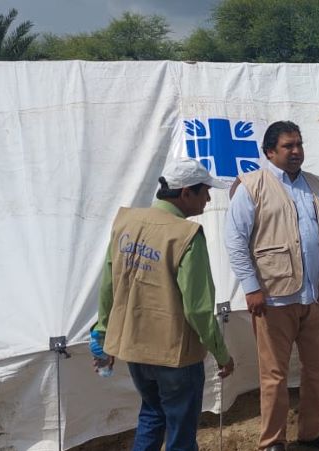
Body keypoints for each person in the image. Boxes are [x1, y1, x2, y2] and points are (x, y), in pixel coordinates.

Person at [93, 157, 234, 451]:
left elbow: (109, 284)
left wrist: (103, 332)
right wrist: (221, 354)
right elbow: (197, 308)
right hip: (175, 355)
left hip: (135, 349)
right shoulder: (186, 235)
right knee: (181, 432)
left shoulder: (125, 224)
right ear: (185, 194)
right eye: (204, 191)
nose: (208, 198)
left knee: (152, 414)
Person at [224, 121, 319, 451]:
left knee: (318, 367)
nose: (296, 152)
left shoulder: (316, 184)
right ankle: (272, 441)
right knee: (274, 375)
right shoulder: (252, 186)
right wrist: (251, 288)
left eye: (299, 145)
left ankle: (312, 432)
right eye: (288, 146)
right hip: (273, 298)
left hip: (316, 295)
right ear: (269, 152)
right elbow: (235, 242)